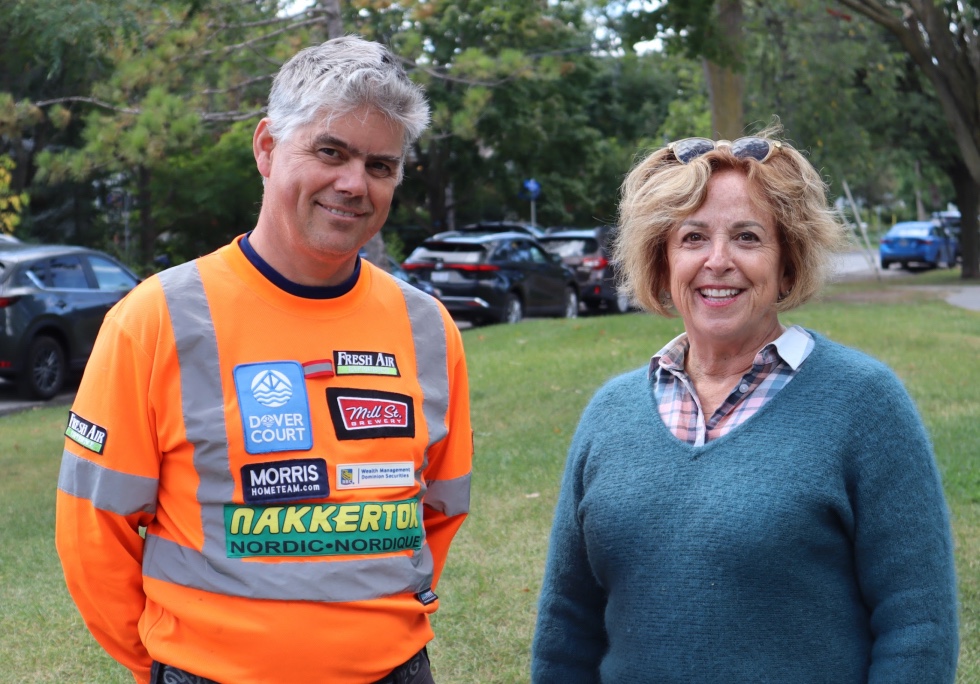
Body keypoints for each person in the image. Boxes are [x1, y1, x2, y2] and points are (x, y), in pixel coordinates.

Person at [56, 36, 472, 684]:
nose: (353, 184)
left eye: (380, 165)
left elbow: (440, 507)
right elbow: (93, 533)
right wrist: (172, 667)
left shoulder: (428, 328)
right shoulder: (154, 320)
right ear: (268, 147)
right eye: (330, 151)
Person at [531, 132, 959, 682]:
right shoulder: (609, 414)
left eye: (748, 237)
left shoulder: (865, 404)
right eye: (692, 237)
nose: (718, 261)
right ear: (662, 262)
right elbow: (567, 625)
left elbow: (916, 626)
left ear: (787, 263)